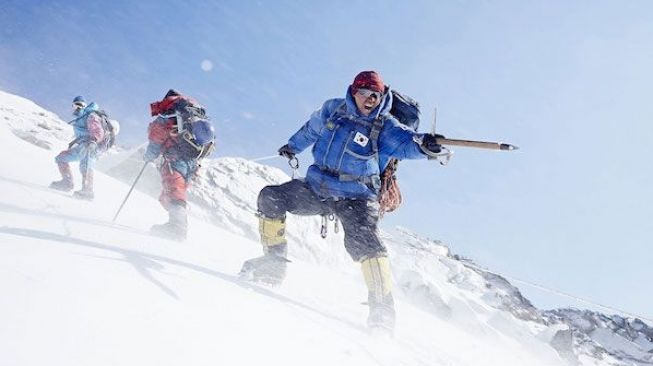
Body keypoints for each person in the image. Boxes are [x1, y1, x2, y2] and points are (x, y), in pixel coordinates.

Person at [240, 71, 444, 332]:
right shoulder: (333, 110)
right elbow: (310, 129)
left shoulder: (385, 126)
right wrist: (292, 146)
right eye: (365, 94)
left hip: (356, 196)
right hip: (317, 187)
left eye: (376, 96)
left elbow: (408, 143)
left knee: (368, 244)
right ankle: (272, 265)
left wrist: (426, 145)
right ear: (353, 91)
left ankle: (382, 310)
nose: (370, 100)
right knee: (271, 197)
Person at [143, 89, 215, 241]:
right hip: (192, 161)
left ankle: (177, 227)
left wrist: (150, 154)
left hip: (174, 157)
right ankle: (178, 221)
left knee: (173, 189)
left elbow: (157, 135)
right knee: (170, 194)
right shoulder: (192, 112)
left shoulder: (168, 112)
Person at [49, 96, 106, 200]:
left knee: (86, 165)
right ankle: (67, 183)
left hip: (90, 146)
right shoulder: (80, 119)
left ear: (85, 106)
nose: (77, 107)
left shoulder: (90, 116)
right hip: (82, 146)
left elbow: (98, 131)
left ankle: (87, 191)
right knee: (61, 158)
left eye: (80, 105)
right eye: (75, 105)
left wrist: (93, 140)